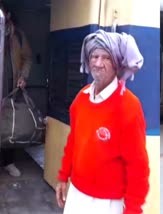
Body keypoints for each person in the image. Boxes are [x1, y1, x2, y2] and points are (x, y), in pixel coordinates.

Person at [55, 29, 150, 214]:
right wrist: (62, 176)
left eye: (105, 57)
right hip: (76, 195)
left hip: (107, 204)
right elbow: (73, 142)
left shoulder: (129, 106)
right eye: (94, 56)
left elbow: (138, 166)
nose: (97, 63)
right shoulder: (81, 98)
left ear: (116, 64)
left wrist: (133, 209)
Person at [0, 2, 32, 177]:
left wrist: (23, 76)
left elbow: (27, 58)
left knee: (9, 126)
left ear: (8, 16)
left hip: (10, 89)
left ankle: (8, 162)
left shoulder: (18, 35)